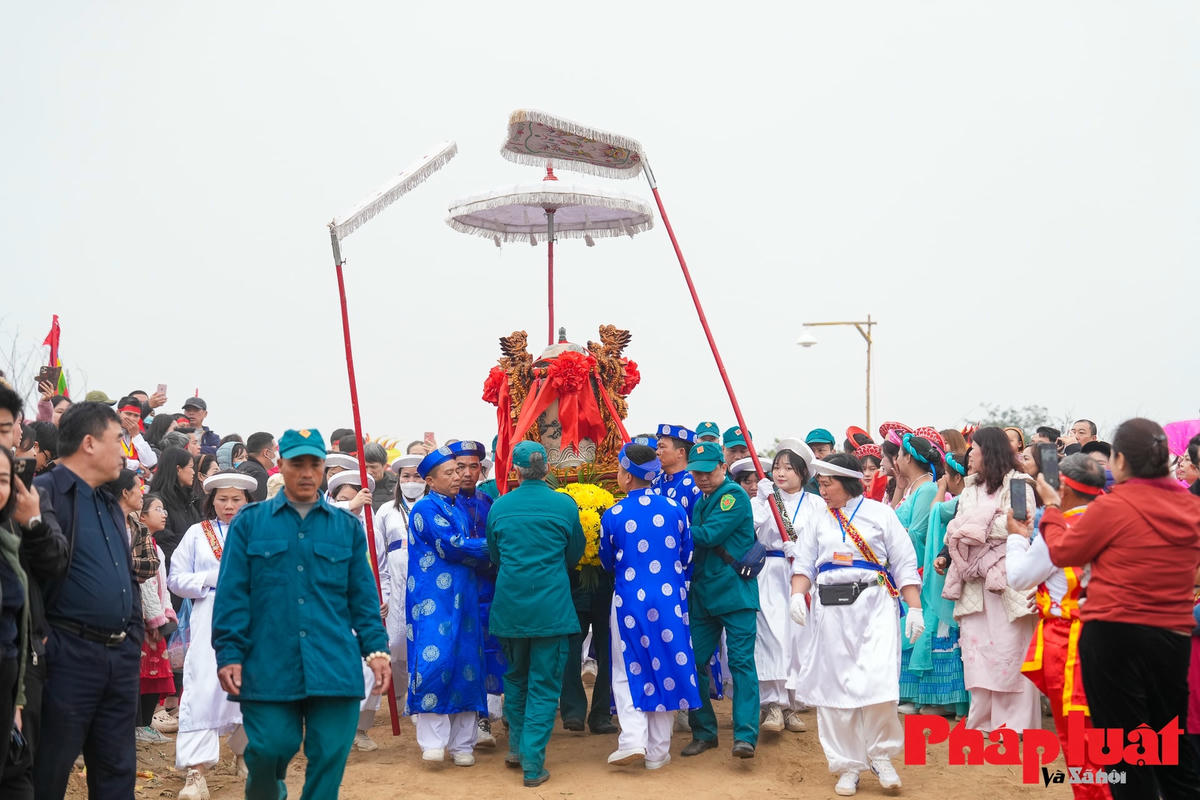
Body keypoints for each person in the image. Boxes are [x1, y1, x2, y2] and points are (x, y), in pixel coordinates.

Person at [212, 427, 390, 800]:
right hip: (269, 664)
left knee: (329, 755)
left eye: (315, 464)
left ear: (324, 468)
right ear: (280, 467)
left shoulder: (346, 527)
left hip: (333, 663)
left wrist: (376, 650)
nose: (307, 472)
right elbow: (232, 595)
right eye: (298, 464)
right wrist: (229, 652)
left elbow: (363, 596)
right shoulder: (250, 523)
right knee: (269, 749)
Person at [1039, 418, 1200, 799]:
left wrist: (1051, 510)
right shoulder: (1191, 507)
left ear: (1122, 460)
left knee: (1123, 748)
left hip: (1113, 635)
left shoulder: (1114, 507)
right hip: (1172, 638)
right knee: (1168, 739)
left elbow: (1064, 552)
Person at [788, 453, 923, 797]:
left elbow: (905, 563)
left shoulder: (881, 513)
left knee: (879, 682)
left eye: (827, 483)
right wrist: (796, 596)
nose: (822, 489)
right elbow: (803, 564)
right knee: (835, 689)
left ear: (847, 481)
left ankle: (880, 756)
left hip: (875, 605)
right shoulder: (818, 518)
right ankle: (847, 765)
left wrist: (916, 608)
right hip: (830, 611)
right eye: (819, 483)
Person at [32, 401, 144, 800]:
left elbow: (126, 576)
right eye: (119, 440)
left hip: (119, 659)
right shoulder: (44, 493)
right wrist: (43, 639)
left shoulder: (108, 503)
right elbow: (29, 573)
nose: (124, 451)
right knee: (49, 769)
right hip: (66, 657)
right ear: (89, 443)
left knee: (117, 772)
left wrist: (133, 639)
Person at [1005, 454, 1110, 799]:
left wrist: (1017, 537)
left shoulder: (1057, 528)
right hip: (1114, 635)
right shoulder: (1114, 522)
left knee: (1079, 737)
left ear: (1062, 488)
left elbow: (1019, 577)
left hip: (1069, 642)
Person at [486, 441, 585, 787]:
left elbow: (495, 555)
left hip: (511, 607)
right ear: (548, 469)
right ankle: (532, 764)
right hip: (551, 609)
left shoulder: (499, 506)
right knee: (544, 685)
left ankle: (516, 749)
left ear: (515, 470)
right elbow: (574, 554)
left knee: (515, 678)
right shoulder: (564, 504)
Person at [600, 443, 700, 769]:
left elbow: (605, 560)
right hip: (671, 600)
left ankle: (632, 739)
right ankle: (658, 751)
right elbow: (688, 557)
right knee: (666, 667)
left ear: (627, 476)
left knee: (627, 666)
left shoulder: (613, 514)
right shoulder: (675, 510)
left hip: (629, 600)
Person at [169, 471, 258, 799]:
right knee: (203, 688)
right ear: (212, 501)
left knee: (251, 686)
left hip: (254, 621)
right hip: (209, 622)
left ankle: (245, 752)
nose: (229, 506)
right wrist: (208, 579)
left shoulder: (258, 532)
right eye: (222, 499)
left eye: (236, 499)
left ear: (247, 502)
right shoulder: (196, 534)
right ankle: (196, 772)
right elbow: (175, 578)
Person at [946, 427, 1040, 734]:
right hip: (974, 579)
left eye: (975, 448)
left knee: (1010, 649)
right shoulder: (970, 487)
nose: (970, 454)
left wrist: (975, 526)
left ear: (990, 451)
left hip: (1009, 576)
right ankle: (982, 721)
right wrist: (985, 522)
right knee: (977, 651)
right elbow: (955, 528)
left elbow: (1021, 522)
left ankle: (1013, 725)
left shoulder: (1019, 483)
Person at [404, 446, 490, 765]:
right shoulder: (426, 508)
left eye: (458, 471)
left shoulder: (457, 508)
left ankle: (463, 744)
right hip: (432, 600)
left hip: (463, 597)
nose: (458, 477)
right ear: (430, 480)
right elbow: (451, 547)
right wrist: (496, 544)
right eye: (450, 473)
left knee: (467, 663)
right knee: (434, 662)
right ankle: (433, 741)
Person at [679, 441, 759, 760]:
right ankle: (705, 732)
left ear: (722, 467)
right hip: (704, 596)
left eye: (708, 471)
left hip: (735, 593)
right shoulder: (702, 500)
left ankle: (745, 736)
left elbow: (709, 536)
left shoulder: (733, 496)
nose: (701, 478)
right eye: (696, 473)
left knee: (740, 664)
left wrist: (669, 525)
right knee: (695, 661)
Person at [751, 438, 823, 734]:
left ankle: (792, 703)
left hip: (800, 574)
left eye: (789, 468)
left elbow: (823, 535)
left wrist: (804, 550)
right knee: (771, 636)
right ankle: (772, 704)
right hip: (770, 571)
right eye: (777, 467)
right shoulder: (765, 498)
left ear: (803, 473)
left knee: (797, 638)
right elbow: (750, 526)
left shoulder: (816, 503)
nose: (780, 473)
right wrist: (760, 500)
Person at [892, 434, 944, 713]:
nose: (896, 460)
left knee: (915, 629)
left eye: (899, 455)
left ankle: (916, 695)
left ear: (908, 458)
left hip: (917, 569)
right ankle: (903, 692)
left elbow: (918, 534)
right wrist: (899, 489)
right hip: (902, 568)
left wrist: (891, 539)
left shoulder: (926, 490)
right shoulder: (913, 488)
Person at [375, 454, 423, 709]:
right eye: (406, 476)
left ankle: (419, 696)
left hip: (425, 580)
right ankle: (401, 693)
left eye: (417, 476)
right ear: (398, 479)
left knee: (423, 639)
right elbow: (379, 556)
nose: (411, 481)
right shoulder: (386, 510)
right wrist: (383, 593)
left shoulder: (432, 505)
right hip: (395, 583)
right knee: (396, 642)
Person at [135, 493, 177, 745]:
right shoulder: (139, 545)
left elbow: (162, 584)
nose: (164, 514)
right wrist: (154, 618)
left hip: (156, 616)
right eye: (157, 509)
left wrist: (167, 612)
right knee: (142, 674)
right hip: (145, 619)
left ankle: (145, 723)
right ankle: (138, 725)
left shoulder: (156, 547)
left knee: (156, 671)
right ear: (142, 516)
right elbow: (145, 586)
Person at [149, 446, 201, 567]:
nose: (194, 472)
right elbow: (164, 541)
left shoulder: (188, 500)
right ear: (178, 469)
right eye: (191, 467)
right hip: (174, 570)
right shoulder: (158, 502)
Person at [652, 425, 701, 518]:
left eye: (662, 447)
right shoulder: (653, 482)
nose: (657, 452)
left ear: (681, 452)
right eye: (657, 447)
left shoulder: (696, 485)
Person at [116, 395, 159, 471]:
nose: (132, 419)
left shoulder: (138, 435)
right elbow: (108, 458)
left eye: (136, 416)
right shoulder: (107, 432)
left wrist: (136, 436)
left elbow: (150, 462)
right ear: (118, 413)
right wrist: (136, 465)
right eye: (128, 414)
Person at [237, 432, 276, 502]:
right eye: (275, 450)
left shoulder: (244, 466)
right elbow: (257, 506)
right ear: (267, 453)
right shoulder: (258, 473)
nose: (277, 455)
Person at [364, 442, 397, 512]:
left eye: (373, 467)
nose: (369, 472)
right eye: (365, 467)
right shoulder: (355, 488)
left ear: (384, 466)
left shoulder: (397, 488)